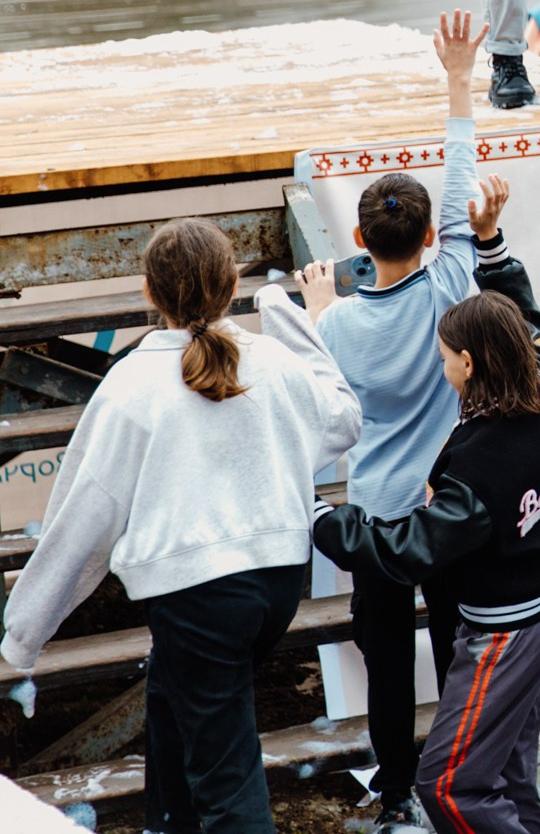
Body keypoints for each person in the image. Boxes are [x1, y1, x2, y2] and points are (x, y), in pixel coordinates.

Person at [2, 226, 359, 834]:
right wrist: (289, 318)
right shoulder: (268, 359)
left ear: (147, 291)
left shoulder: (132, 386)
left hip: (199, 594)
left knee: (227, 783)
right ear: (228, 287)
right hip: (274, 582)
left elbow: (83, 521)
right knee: (172, 718)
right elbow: (341, 419)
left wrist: (22, 636)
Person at [314, 12, 494, 834]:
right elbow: (460, 180)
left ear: (358, 240)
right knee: (461, 651)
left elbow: (328, 406)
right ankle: (459, 777)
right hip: (445, 509)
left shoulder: (337, 326)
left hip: (379, 514)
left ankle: (394, 797)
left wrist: (320, 308)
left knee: (387, 663)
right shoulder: (450, 284)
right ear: (430, 237)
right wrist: (458, 80)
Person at [312, 290, 540, 834]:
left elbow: (407, 550)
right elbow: (531, 323)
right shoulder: (538, 391)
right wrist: (492, 245)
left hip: (505, 637)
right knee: (509, 773)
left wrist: (320, 518)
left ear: (470, 363)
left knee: (448, 785)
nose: (442, 364)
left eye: (444, 356)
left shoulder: (479, 468)